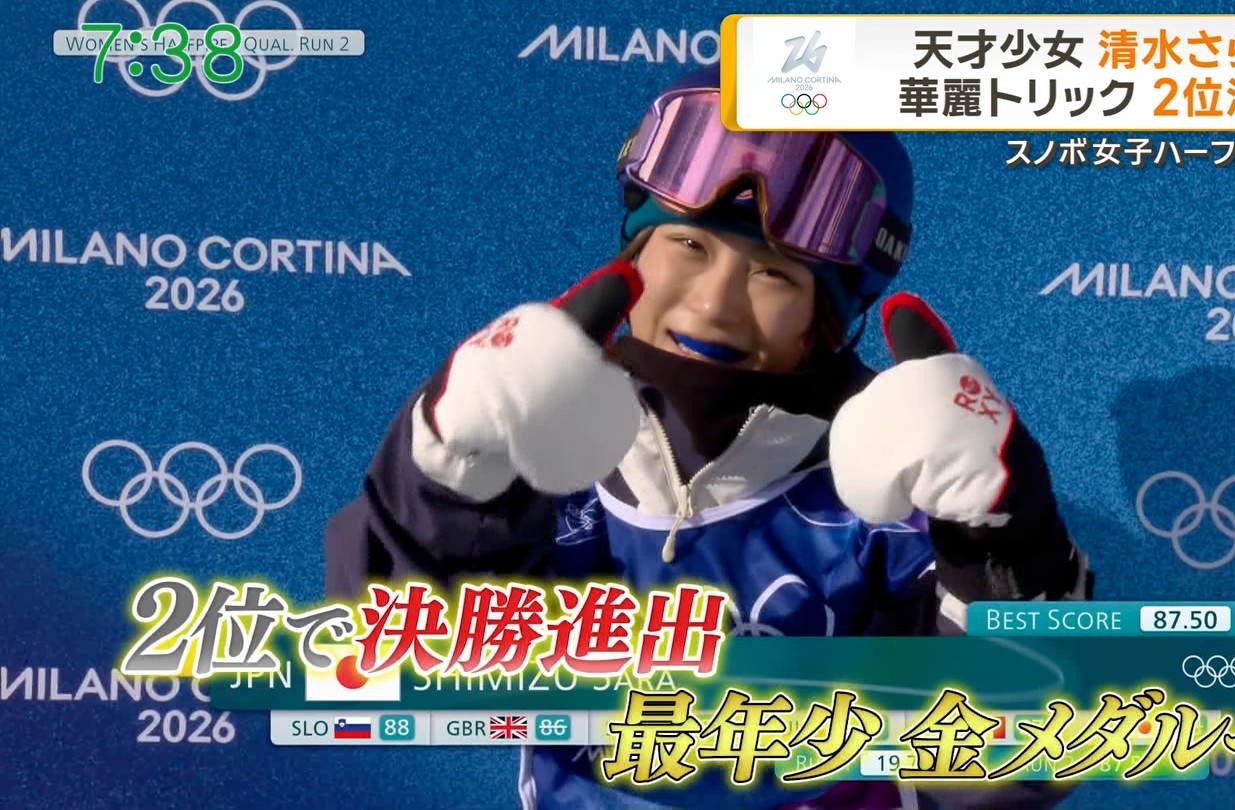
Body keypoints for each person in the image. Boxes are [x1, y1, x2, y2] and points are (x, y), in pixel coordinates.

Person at [324, 66, 1092, 810]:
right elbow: (398, 665)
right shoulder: (540, 437)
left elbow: (1010, 765)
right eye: (689, 246)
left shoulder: (898, 481)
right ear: (633, 253)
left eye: (774, 275)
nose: (715, 304)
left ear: (828, 318)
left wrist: (1007, 546)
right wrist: (448, 475)